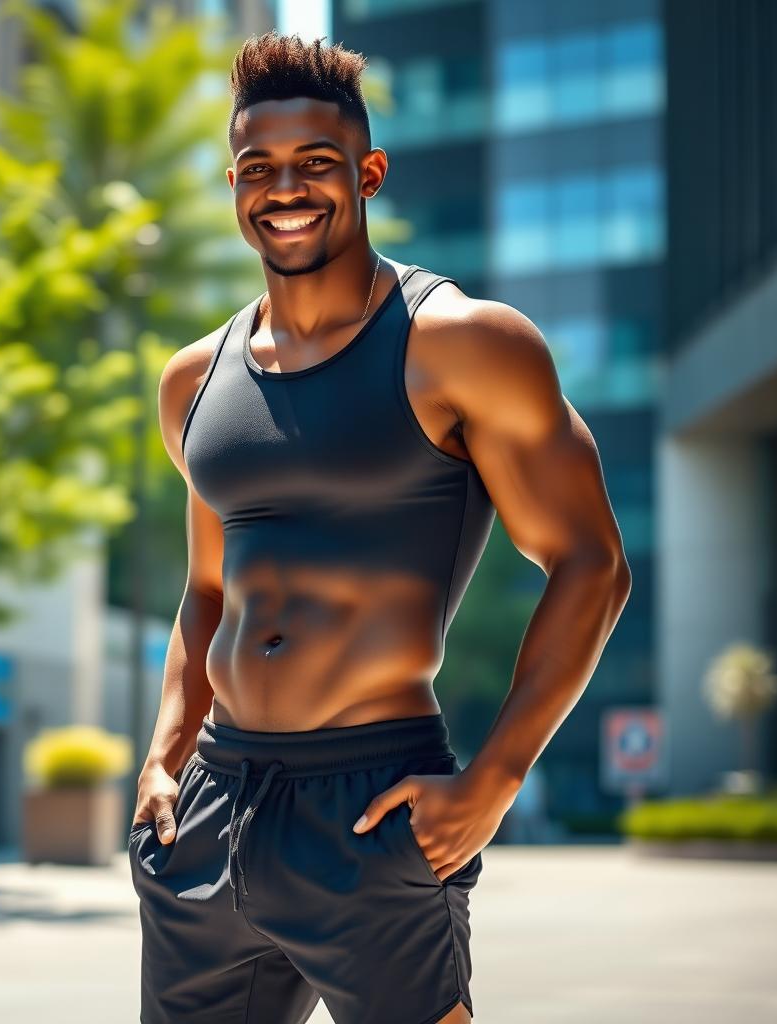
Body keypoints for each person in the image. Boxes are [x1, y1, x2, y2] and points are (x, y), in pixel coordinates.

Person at [127, 30, 632, 1024]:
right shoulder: (194, 379)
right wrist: (162, 754)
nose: (286, 189)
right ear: (233, 182)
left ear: (367, 173)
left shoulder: (463, 344)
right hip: (216, 799)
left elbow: (591, 563)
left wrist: (492, 780)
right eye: (259, 169)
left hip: (370, 802)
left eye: (315, 165)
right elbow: (208, 591)